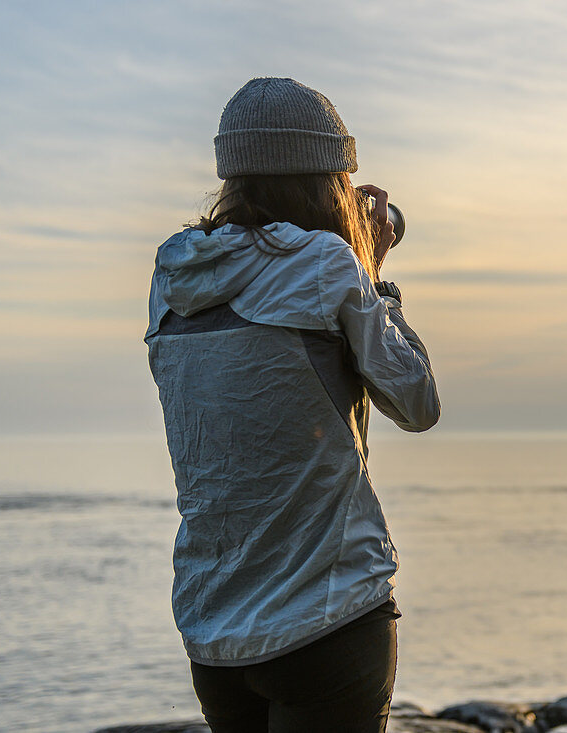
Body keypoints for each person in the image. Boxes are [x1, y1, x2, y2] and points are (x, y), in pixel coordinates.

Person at [145, 77, 440, 732]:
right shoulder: (327, 263)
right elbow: (416, 399)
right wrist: (375, 275)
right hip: (328, 619)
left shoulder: (172, 274)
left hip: (213, 628)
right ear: (328, 181)